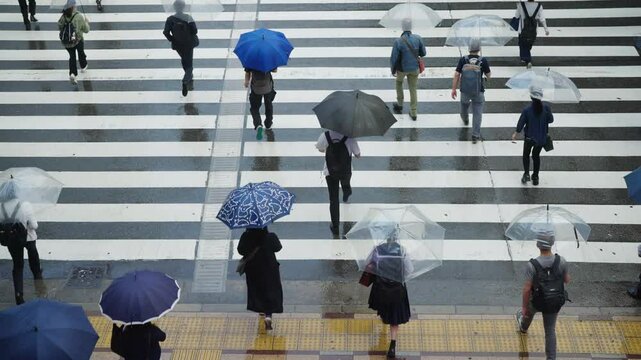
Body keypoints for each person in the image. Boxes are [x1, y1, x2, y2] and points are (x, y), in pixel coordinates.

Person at [516, 227, 570, 360]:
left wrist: (524, 306)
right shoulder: (561, 261)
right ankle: (551, 358)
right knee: (550, 330)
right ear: (552, 243)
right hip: (553, 301)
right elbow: (567, 280)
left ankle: (523, 327)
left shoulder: (532, 265)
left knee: (528, 312)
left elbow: (527, 288)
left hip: (537, 300)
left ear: (537, 244)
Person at [366, 232, 413, 359]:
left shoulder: (377, 250)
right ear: (396, 238)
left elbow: (370, 266)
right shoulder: (402, 250)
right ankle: (392, 345)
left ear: (386, 238)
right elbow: (409, 270)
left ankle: (383, 318)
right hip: (397, 288)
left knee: (384, 308)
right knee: (394, 319)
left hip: (381, 288)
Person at [0, 181, 42, 305]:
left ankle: (19, 295)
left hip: (12, 240)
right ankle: (40, 290)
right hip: (28, 238)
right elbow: (34, 225)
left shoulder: (1, 207)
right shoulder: (25, 205)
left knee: (18, 266)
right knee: (35, 266)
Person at [315, 130, 361, 235]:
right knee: (345, 184)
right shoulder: (350, 137)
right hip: (346, 170)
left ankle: (335, 227)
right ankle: (346, 192)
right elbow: (358, 154)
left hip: (330, 171)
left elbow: (320, 149)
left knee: (333, 198)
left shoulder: (325, 135)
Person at [237, 227, 283, 330]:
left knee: (257, 290)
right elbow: (278, 247)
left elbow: (241, 250)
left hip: (253, 269)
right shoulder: (270, 236)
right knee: (271, 290)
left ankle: (261, 309)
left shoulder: (246, 236)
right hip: (269, 268)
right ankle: (268, 315)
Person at [451, 38, 491, 143]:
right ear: (478, 48)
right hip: (479, 91)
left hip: (465, 90)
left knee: (464, 105)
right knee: (478, 112)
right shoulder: (483, 60)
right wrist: (486, 77)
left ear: (469, 48)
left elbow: (456, 74)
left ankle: (465, 118)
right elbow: (488, 75)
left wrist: (454, 89)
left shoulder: (463, 59)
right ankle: (475, 135)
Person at [512, 86, 554, 186]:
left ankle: (526, 174)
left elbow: (521, 123)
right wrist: (547, 113)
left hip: (529, 138)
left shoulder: (527, 110)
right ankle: (535, 177)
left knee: (526, 155)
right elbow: (551, 120)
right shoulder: (546, 108)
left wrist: (516, 133)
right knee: (536, 156)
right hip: (541, 138)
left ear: (531, 97)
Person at [389, 18, 426, 121]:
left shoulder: (398, 41)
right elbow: (423, 53)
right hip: (414, 68)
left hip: (402, 69)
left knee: (399, 83)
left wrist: (393, 70)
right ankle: (413, 111)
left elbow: (394, 58)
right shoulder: (418, 38)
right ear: (411, 27)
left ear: (402, 27)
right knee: (413, 88)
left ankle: (400, 104)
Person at [163, 0, 199, 97]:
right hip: (189, 44)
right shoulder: (188, 17)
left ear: (174, 8)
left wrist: (173, 39)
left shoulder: (170, 19)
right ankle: (186, 80)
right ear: (183, 7)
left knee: (184, 60)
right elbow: (195, 31)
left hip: (178, 45)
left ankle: (188, 76)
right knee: (189, 64)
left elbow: (165, 32)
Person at [57, 0, 90, 85]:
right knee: (81, 52)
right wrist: (86, 22)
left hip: (67, 42)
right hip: (77, 40)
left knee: (72, 57)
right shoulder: (78, 16)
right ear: (73, 7)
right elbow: (86, 30)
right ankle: (83, 66)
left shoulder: (64, 16)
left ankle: (73, 74)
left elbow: (59, 26)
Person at [514, 0, 549, 68]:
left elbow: (517, 16)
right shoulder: (538, 6)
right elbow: (542, 18)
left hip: (522, 30)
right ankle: (525, 58)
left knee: (522, 44)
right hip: (533, 30)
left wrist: (518, 6)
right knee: (529, 44)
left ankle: (528, 60)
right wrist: (546, 28)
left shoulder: (521, 5)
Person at [245, 68, 277, 140]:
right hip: (268, 87)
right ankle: (268, 124)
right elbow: (275, 70)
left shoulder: (251, 60)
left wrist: (246, 82)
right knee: (268, 105)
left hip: (256, 89)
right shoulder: (268, 58)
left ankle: (258, 124)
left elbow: (247, 74)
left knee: (254, 108)